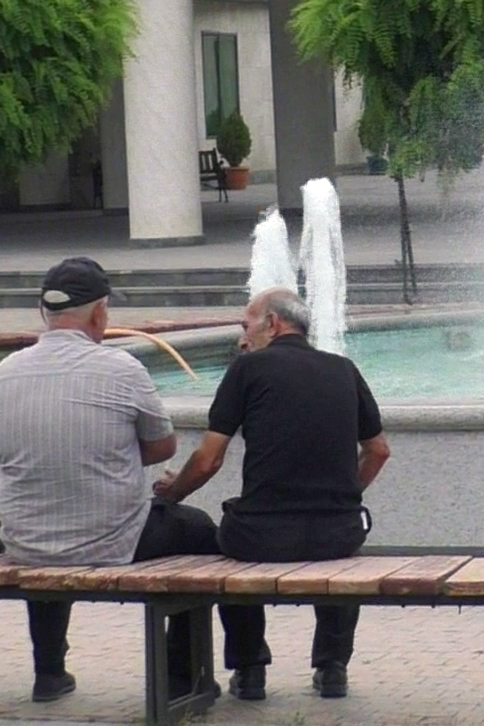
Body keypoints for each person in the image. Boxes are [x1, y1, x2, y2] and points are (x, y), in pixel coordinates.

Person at [0, 256, 220, 703]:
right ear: (100, 313)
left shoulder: (6, 370)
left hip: (25, 539)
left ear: (43, 311)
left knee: (51, 519)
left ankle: (49, 671)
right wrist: (110, 455)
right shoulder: (122, 368)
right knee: (198, 530)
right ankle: (183, 674)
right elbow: (163, 446)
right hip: (112, 539)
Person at [155, 287, 391, 701]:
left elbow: (209, 460)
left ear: (273, 323)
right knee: (341, 556)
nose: (242, 339)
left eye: (245, 326)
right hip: (337, 534)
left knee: (222, 548)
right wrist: (342, 496)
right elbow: (379, 451)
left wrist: (171, 494)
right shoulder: (344, 369)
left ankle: (249, 669)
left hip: (261, 536)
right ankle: (332, 668)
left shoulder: (247, 370)